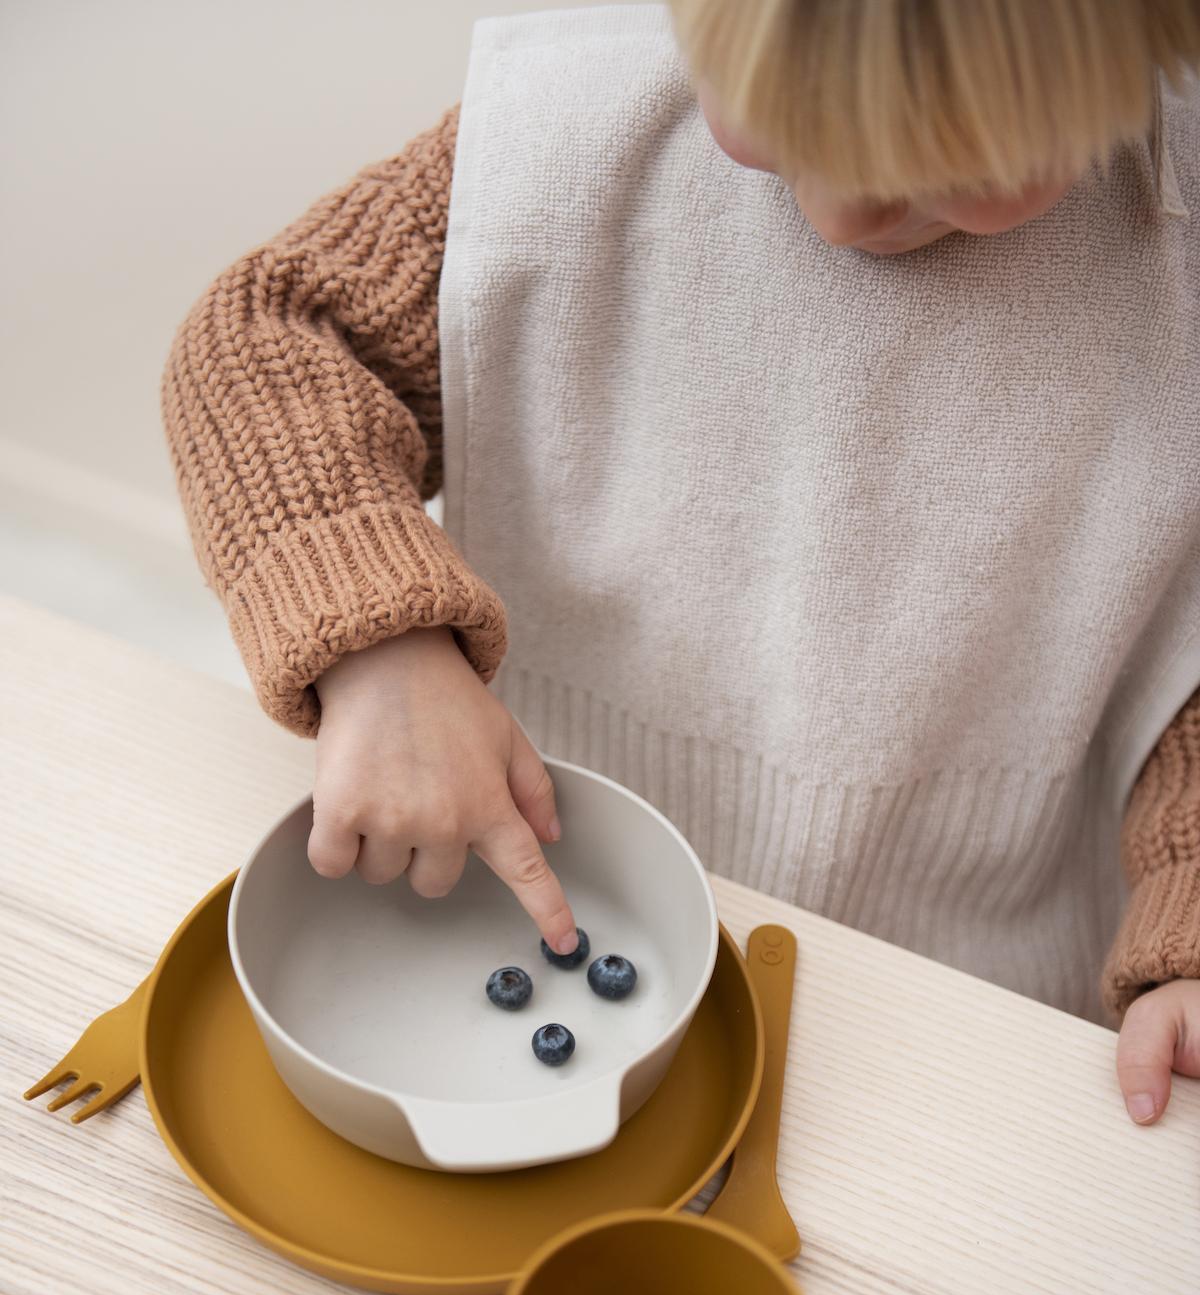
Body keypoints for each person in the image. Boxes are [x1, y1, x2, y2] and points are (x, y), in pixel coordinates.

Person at [162, 0, 1200, 1125]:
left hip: (960, 1018)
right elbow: (259, 344)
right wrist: (383, 650)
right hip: (531, 895)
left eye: (955, 159)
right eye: (782, 125)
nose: (845, 211)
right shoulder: (564, 150)